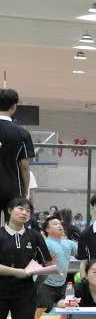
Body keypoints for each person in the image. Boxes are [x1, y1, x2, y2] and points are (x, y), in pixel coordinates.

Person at [35, 215, 77, 319]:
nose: (59, 225)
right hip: (45, 285)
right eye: (54, 224)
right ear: (47, 229)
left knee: (69, 305)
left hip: (61, 284)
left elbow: (82, 249)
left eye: (60, 223)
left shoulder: (69, 244)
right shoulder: (45, 243)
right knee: (35, 316)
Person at [0, 90, 34, 223]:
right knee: (13, 229)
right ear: (14, 107)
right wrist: (25, 194)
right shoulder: (22, 133)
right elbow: (25, 167)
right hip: (13, 189)